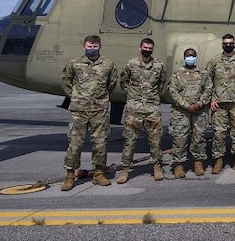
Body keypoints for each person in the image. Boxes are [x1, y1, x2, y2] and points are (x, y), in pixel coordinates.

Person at [60, 34, 118, 191]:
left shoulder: (108, 64)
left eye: (95, 46)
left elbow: (111, 83)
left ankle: (99, 174)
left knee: (100, 143)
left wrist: (100, 98)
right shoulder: (75, 63)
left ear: (99, 46)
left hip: (99, 110)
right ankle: (70, 176)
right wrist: (75, 97)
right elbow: (66, 81)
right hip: (79, 111)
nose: (92, 49)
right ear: (84, 46)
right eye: (89, 46)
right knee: (74, 144)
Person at [117, 38, 168, 184]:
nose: (147, 49)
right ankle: (125, 170)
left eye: (150, 48)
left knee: (156, 140)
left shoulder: (159, 65)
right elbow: (124, 82)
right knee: (130, 140)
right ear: (140, 48)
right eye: (145, 47)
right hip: (134, 108)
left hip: (152, 108)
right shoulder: (131, 64)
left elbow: (162, 83)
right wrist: (134, 97)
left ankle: (157, 167)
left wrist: (152, 97)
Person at [207, 33, 235, 174]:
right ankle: (218, 161)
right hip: (219, 103)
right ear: (222, 44)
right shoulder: (214, 61)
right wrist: (211, 99)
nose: (228, 45)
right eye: (225, 43)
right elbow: (208, 82)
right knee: (219, 134)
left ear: (234, 43)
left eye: (230, 43)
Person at [167, 48, 213, 178]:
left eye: (192, 56)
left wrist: (199, 103)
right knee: (179, 138)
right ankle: (179, 165)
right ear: (184, 58)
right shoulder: (177, 74)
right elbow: (173, 92)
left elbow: (208, 90)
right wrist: (187, 105)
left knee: (199, 138)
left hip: (199, 111)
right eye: (188, 56)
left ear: (196, 57)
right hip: (181, 112)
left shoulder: (203, 73)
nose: (190, 58)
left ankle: (198, 163)